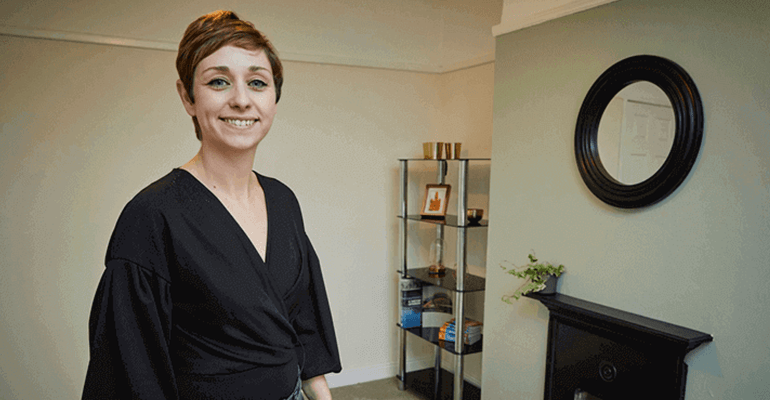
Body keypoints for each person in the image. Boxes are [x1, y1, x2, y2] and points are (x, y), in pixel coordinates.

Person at [82, 10, 341, 400]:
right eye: (219, 81)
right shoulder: (151, 216)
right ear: (187, 96)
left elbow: (302, 318)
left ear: (273, 98)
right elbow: (130, 371)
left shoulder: (283, 201)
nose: (241, 100)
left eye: (257, 82)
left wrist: (319, 394)